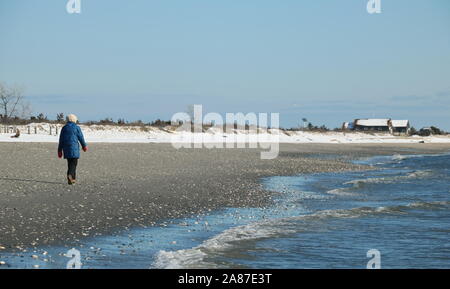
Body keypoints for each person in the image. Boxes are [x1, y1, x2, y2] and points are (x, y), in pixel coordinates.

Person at [58, 114, 88, 185]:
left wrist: (59, 150)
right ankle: (71, 176)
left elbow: (61, 140)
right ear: (75, 120)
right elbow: (81, 137)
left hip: (66, 148)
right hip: (74, 148)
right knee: (74, 164)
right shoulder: (77, 128)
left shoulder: (64, 128)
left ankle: (71, 180)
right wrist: (84, 146)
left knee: (70, 164)